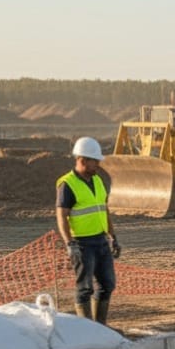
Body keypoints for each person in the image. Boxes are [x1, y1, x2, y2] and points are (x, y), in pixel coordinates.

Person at [56, 136, 119, 325]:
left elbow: (103, 209)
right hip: (82, 244)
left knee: (107, 284)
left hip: (100, 240)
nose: (98, 165)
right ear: (82, 160)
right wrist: (70, 244)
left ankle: (100, 327)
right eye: (95, 161)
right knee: (84, 288)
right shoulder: (67, 184)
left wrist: (113, 236)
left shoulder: (98, 181)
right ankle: (87, 331)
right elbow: (61, 216)